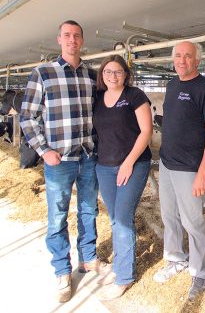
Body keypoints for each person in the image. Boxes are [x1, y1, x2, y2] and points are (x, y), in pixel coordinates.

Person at [20, 20, 111, 303]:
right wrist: (43, 150)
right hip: (59, 160)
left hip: (87, 156)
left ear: (82, 41)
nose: (72, 40)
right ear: (59, 39)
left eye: (77, 36)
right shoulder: (43, 73)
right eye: (67, 35)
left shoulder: (91, 75)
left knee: (88, 210)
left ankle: (88, 257)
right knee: (58, 215)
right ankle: (62, 269)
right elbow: (27, 117)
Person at [153, 41, 205, 300]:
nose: (181, 60)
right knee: (169, 215)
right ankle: (175, 259)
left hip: (190, 169)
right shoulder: (172, 85)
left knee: (193, 221)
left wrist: (203, 171)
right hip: (167, 163)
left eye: (188, 56)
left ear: (198, 61)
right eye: (178, 56)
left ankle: (200, 271)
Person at [93, 55, 153, 300]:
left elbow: (146, 131)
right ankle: (120, 267)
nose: (112, 76)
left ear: (126, 75)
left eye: (117, 72)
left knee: (123, 218)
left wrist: (128, 162)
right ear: (102, 74)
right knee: (115, 219)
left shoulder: (135, 96)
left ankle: (124, 277)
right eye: (108, 72)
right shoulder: (97, 98)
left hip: (134, 164)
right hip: (104, 166)